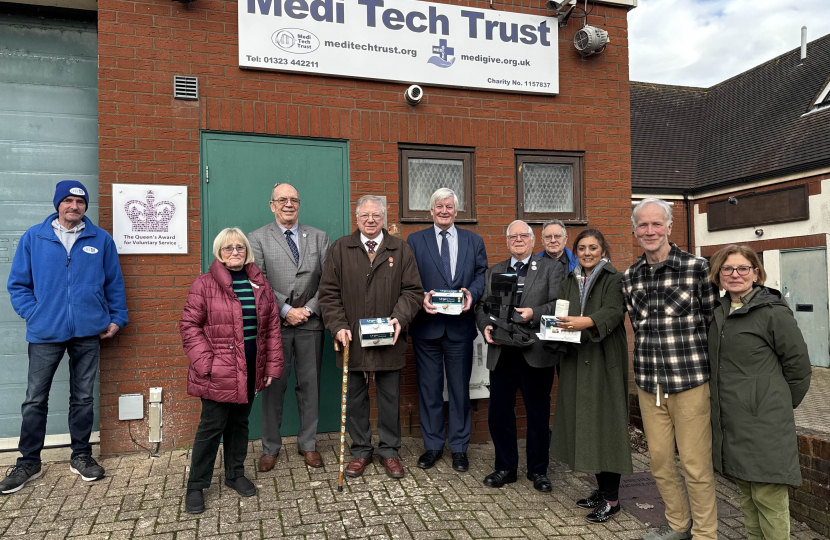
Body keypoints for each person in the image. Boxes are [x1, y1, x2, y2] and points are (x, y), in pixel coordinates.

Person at [2, 180, 128, 494]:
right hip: (45, 332)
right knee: (35, 400)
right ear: (58, 203)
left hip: (88, 331)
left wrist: (117, 317)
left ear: (86, 207)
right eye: (68, 201)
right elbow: (18, 284)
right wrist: (34, 312)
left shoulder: (100, 239)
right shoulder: (35, 236)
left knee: (83, 397)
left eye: (80, 202)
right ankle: (29, 462)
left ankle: (81, 456)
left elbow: (114, 282)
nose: (74, 206)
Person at [622, 198, 720, 540]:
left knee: (695, 465)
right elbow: (638, 324)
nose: (650, 231)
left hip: (689, 381)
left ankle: (706, 533)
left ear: (669, 227)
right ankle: (679, 525)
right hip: (650, 384)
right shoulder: (631, 276)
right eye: (643, 225)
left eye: (656, 224)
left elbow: (711, 320)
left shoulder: (697, 268)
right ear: (634, 230)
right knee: (660, 463)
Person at [707, 245, 811, 540]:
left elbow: (799, 367)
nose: (735, 274)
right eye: (727, 269)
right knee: (747, 497)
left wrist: (773, 404)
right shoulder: (720, 312)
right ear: (718, 274)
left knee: (769, 498)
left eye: (743, 268)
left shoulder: (772, 312)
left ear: (756, 273)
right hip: (734, 422)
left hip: (765, 422)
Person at [179, 228, 284, 514]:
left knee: (239, 424)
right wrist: (207, 364)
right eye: (228, 248)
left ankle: (235, 474)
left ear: (247, 251)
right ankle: (196, 486)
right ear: (219, 253)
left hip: (251, 369)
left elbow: (272, 328)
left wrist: (272, 365)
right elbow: (189, 327)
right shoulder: (204, 284)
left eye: (240, 247)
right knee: (211, 427)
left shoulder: (259, 284)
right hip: (218, 372)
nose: (235, 252)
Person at [318, 195, 423, 479]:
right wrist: (338, 325)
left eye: (376, 215)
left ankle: (389, 451)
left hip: (390, 339)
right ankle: (361, 450)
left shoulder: (400, 250)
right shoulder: (341, 248)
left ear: (384, 217)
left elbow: (413, 291)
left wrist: (400, 318)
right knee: (354, 398)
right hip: (351, 339)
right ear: (357, 218)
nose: (370, 220)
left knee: (389, 399)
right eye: (365, 215)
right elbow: (328, 294)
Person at [475, 220, 565, 492]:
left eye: (523, 235)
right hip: (503, 351)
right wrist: (485, 325)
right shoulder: (495, 271)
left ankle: (538, 471)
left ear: (532, 240)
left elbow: (559, 304)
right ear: (506, 241)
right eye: (512, 236)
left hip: (535, 351)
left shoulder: (552, 268)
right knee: (499, 412)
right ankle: (505, 468)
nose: (518, 240)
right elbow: (482, 306)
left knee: (537, 414)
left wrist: (533, 313)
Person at [550, 229, 632, 523]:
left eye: (593, 247)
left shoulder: (614, 278)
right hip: (575, 359)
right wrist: (554, 327)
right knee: (587, 423)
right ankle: (601, 491)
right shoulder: (570, 279)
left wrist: (584, 322)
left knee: (606, 424)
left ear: (603, 249)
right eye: (582, 248)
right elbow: (560, 312)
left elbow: (614, 311)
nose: (587, 252)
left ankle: (612, 500)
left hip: (603, 358)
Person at [248, 183, 330, 471]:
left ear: (299, 204)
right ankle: (270, 446)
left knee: (310, 386)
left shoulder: (320, 238)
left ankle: (308, 445)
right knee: (273, 386)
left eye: (294, 199)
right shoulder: (256, 239)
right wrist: (285, 309)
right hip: (275, 326)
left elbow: (328, 282)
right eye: (282, 199)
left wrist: (307, 310)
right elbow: (259, 282)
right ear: (272, 205)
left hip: (311, 323)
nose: (288, 204)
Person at [407, 188, 487, 473]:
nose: (444, 211)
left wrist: (472, 295)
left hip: (459, 328)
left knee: (459, 391)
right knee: (429, 390)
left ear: (457, 211)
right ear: (431, 211)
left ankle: (459, 448)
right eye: (439, 206)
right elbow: (409, 279)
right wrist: (421, 297)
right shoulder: (415, 241)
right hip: (426, 327)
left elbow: (481, 275)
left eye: (449, 207)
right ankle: (432, 446)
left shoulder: (473, 241)